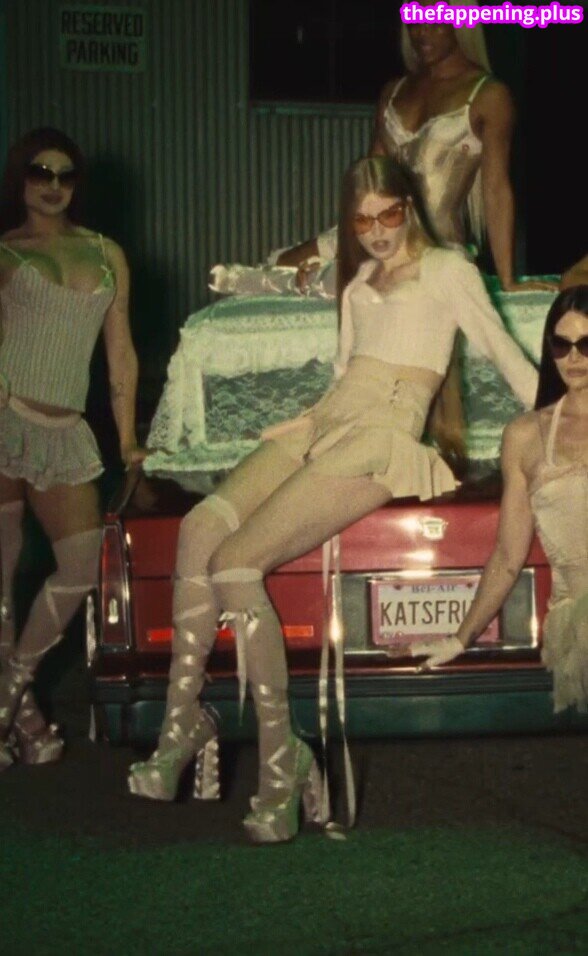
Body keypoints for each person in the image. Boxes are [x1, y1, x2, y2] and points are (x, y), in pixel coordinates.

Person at [128, 156, 538, 842]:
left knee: (235, 564)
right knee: (200, 527)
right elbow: (344, 373)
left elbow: (503, 352)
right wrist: (305, 423)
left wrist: (563, 420)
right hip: (328, 420)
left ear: (409, 206)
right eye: (362, 220)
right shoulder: (357, 284)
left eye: (388, 214)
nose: (376, 231)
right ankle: (181, 726)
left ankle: (282, 766)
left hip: (383, 435)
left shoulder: (447, 270)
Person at [0, 128, 143, 771]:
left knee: (83, 565)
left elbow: (121, 352)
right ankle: (28, 723)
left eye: (65, 175)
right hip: (3, 422)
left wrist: (130, 439)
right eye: (40, 173)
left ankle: (8, 697)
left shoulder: (107, 253)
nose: (53, 186)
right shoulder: (6, 252)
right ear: (20, 179)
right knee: (1, 586)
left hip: (63, 431)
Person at [277, 3, 555, 295]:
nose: (421, 32)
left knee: (338, 283)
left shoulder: (489, 95)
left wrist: (508, 279)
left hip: (434, 246)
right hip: (377, 232)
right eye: (414, 21)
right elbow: (370, 181)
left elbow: (496, 190)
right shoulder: (394, 91)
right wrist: (350, 238)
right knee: (283, 269)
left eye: (434, 21)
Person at [405, 285, 588, 714]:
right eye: (561, 345)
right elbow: (508, 555)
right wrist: (460, 638)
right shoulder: (525, 435)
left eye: (586, 344)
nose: (573, 358)